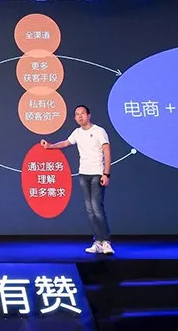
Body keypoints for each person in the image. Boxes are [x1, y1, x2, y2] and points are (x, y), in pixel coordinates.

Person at [40, 105, 114, 255]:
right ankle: (98, 242)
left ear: (89, 115)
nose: (80, 116)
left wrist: (106, 174)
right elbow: (66, 143)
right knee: (90, 211)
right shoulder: (77, 133)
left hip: (97, 173)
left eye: (82, 113)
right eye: (77, 114)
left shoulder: (99, 131)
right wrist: (50, 146)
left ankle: (106, 242)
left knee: (97, 208)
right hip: (83, 174)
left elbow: (107, 151)